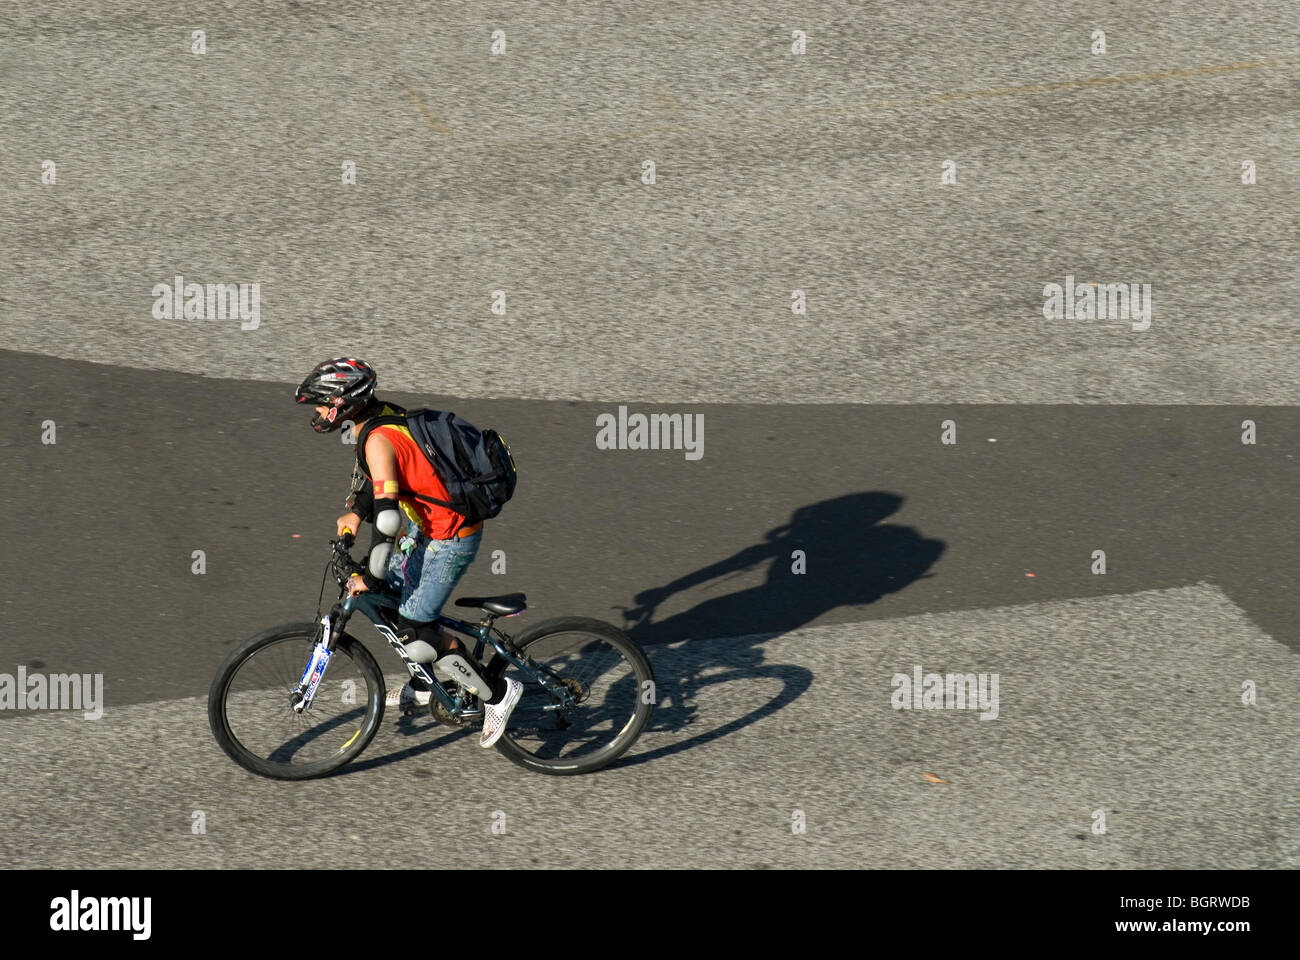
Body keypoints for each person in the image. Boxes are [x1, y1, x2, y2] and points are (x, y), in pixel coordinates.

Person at [293, 358, 522, 747]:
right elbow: (386, 482)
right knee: (387, 599)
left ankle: (499, 694)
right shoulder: (382, 416)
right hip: (428, 526)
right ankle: (427, 682)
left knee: (416, 632)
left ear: (342, 403)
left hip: (449, 537)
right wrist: (355, 512)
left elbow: (387, 524)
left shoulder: (377, 439)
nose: (317, 411)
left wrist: (369, 571)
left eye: (320, 403)